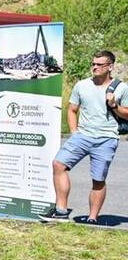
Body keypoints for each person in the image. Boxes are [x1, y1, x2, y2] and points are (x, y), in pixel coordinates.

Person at [47, 50, 128, 224]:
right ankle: (61, 211)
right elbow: (72, 109)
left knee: (98, 180)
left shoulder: (122, 88)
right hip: (82, 135)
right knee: (58, 164)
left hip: (106, 138)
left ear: (110, 67)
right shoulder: (82, 85)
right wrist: (74, 131)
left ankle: (92, 218)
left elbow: (127, 114)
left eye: (100, 64)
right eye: (93, 64)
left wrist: (114, 105)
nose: (95, 67)